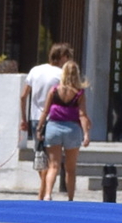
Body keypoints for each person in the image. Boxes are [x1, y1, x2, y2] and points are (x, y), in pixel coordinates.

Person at [36, 61, 90, 201]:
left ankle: (48, 194)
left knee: (53, 166)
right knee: (70, 169)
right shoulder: (79, 93)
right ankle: (70, 198)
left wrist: (39, 128)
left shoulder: (54, 90)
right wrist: (86, 134)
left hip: (53, 128)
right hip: (72, 129)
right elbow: (82, 115)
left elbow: (45, 111)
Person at [22, 42, 73, 166]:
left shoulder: (35, 70)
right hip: (54, 119)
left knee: (40, 156)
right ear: (63, 57)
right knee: (53, 159)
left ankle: (43, 184)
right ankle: (47, 185)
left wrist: (24, 120)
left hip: (35, 118)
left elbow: (23, 96)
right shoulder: (61, 75)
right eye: (68, 57)